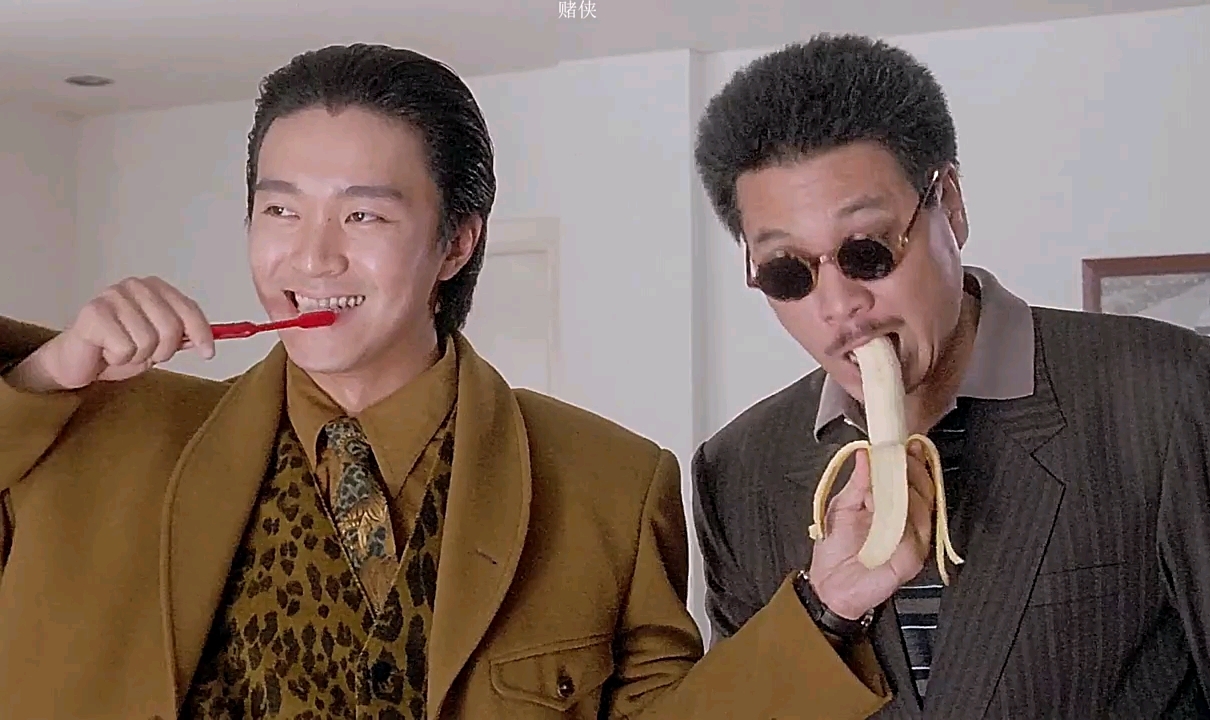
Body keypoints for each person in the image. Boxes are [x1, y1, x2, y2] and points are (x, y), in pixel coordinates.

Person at [0, 44, 916, 720]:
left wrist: (826, 609)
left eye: (362, 215)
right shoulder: (91, 432)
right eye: (279, 209)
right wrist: (42, 378)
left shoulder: (609, 482)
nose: (311, 256)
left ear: (456, 242)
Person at [690, 33, 1210, 718]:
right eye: (787, 272)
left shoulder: (1164, 392)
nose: (838, 306)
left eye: (866, 250)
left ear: (950, 203)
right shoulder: (737, 472)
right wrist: (824, 614)